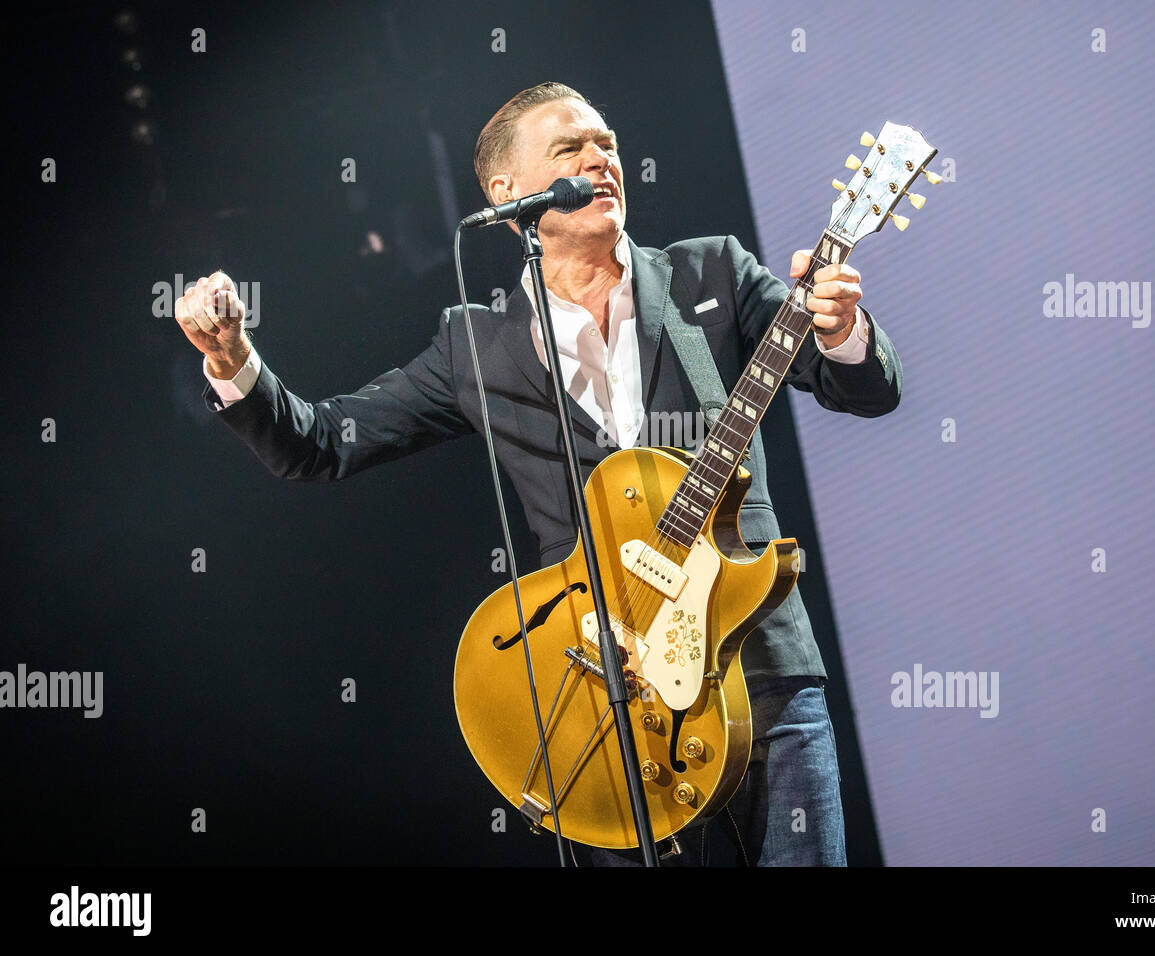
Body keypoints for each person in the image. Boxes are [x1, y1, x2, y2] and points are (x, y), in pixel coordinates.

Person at [173, 82, 902, 866]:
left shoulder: (710, 274)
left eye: (609, 144)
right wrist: (234, 364)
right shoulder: (477, 346)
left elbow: (862, 390)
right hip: (609, 699)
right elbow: (320, 445)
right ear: (507, 194)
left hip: (760, 670)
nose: (601, 160)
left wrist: (843, 330)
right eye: (571, 150)